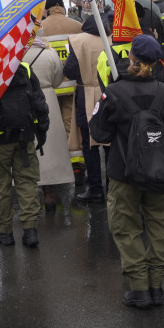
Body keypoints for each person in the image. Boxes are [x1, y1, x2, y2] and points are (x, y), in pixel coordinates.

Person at [90, 35, 164, 309]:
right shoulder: (163, 91)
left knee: (126, 228)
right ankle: (157, 286)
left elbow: (99, 132)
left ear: (131, 58)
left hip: (123, 172)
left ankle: (139, 288)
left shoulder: (114, 92)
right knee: (161, 225)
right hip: (159, 169)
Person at [0, 58, 49, 247]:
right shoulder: (24, 68)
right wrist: (42, 129)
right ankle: (30, 232)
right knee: (27, 182)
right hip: (24, 135)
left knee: (0, 184)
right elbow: (39, 102)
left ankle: (5, 234)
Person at [64, 14, 113, 203]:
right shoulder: (112, 40)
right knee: (110, 143)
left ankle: (94, 188)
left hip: (86, 93)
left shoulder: (78, 41)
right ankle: (111, 186)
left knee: (89, 144)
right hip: (109, 94)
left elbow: (69, 70)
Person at [22, 37, 74, 214]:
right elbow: (59, 80)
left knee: (28, 147)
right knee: (50, 148)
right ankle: (49, 193)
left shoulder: (17, 52)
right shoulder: (49, 52)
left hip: (24, 100)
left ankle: (30, 193)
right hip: (47, 100)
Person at [40, 0, 84, 193]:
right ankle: (77, 165)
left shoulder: (41, 27)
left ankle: (53, 168)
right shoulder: (76, 25)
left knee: (51, 128)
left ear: (47, 8)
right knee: (70, 124)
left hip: (49, 86)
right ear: (62, 6)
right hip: (72, 84)